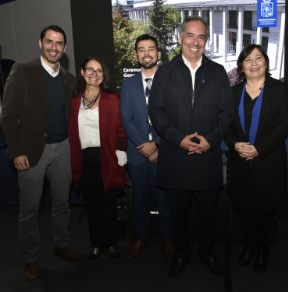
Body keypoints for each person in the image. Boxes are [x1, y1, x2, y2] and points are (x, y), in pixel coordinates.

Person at [148, 16, 234, 277]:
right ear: (180, 37)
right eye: (191, 36)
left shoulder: (218, 72)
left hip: (207, 158)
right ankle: (182, 254)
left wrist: (211, 140)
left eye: (201, 37)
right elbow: (157, 111)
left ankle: (208, 254)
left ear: (206, 41)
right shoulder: (165, 71)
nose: (196, 42)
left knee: (209, 214)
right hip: (176, 157)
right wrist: (178, 139)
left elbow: (227, 112)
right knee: (179, 214)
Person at [0, 25, 80, 282]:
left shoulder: (69, 78)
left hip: (64, 149)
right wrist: (16, 151)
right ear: (40, 43)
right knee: (29, 210)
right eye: (49, 42)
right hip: (32, 152)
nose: (54, 47)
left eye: (58, 43)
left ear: (64, 48)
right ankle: (31, 259)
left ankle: (61, 244)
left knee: (62, 204)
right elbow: (8, 116)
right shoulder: (22, 70)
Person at [225, 44, 288, 271]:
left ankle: (263, 249)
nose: (253, 63)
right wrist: (235, 144)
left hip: (268, 159)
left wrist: (259, 148)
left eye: (258, 58)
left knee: (264, 208)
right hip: (240, 160)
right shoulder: (232, 93)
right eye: (248, 60)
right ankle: (249, 246)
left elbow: (284, 126)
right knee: (244, 207)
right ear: (241, 67)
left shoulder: (279, 90)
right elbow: (224, 126)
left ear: (266, 62)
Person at [120, 34, 175, 261]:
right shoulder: (128, 84)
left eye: (151, 49)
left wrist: (158, 146)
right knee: (140, 198)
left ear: (158, 54)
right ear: (136, 56)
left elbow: (175, 118)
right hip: (138, 153)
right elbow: (127, 120)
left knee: (165, 198)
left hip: (164, 152)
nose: (146, 54)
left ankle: (169, 238)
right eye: (141, 50)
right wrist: (146, 147)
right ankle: (141, 237)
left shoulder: (170, 81)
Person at [69, 55, 128, 262]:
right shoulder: (74, 101)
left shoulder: (113, 100)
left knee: (109, 204)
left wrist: (121, 151)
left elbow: (122, 128)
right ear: (82, 72)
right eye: (90, 70)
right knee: (92, 204)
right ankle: (96, 244)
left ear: (104, 76)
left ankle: (111, 243)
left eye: (99, 70)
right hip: (83, 160)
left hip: (108, 158)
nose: (94, 74)